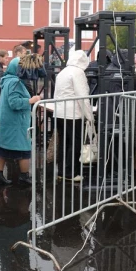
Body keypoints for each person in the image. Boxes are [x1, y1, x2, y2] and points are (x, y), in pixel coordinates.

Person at [0, 57, 41, 185]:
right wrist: (31, 101)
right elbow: (14, 103)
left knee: (3, 149)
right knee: (24, 150)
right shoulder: (15, 82)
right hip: (16, 124)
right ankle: (24, 177)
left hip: (7, 122)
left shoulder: (7, 80)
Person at [53, 49, 94, 182]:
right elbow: (82, 96)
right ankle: (71, 173)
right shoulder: (78, 72)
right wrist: (89, 116)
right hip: (73, 114)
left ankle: (62, 171)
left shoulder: (63, 72)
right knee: (75, 143)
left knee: (64, 143)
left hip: (59, 112)